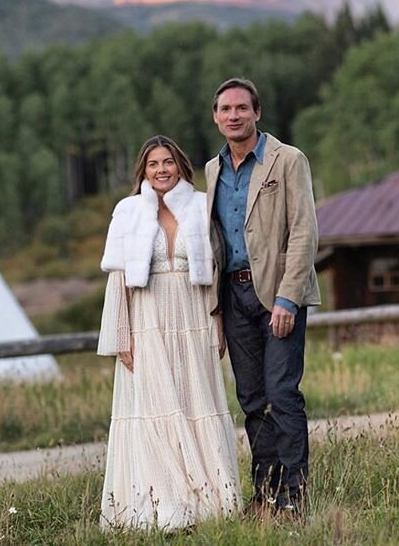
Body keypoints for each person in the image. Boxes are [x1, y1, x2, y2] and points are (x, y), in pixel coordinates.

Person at [97, 135, 241, 531]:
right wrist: (121, 333)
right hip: (148, 319)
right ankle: (164, 506)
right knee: (155, 407)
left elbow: (215, 273)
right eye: (153, 164)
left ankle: (211, 502)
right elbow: (119, 279)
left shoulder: (199, 206)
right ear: (143, 171)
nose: (162, 170)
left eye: (168, 162)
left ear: (181, 166)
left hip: (194, 318)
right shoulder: (128, 211)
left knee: (197, 402)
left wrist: (219, 323)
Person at [205, 78, 320, 518]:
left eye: (241, 108)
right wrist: (215, 309)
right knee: (252, 399)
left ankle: (294, 495)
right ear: (216, 118)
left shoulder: (287, 160)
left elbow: (305, 231)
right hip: (233, 296)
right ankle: (266, 494)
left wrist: (289, 298)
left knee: (282, 393)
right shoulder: (213, 170)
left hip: (277, 293)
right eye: (225, 109)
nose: (234, 115)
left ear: (257, 113)